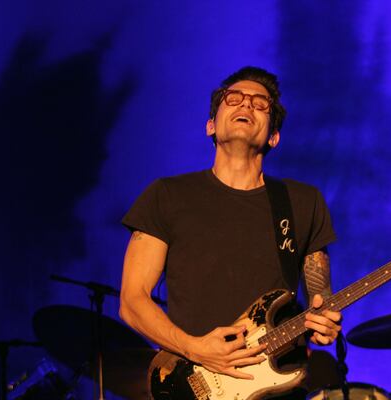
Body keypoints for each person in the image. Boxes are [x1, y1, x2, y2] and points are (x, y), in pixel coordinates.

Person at [119, 66, 341, 395]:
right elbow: (131, 301)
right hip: (193, 386)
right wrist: (194, 348)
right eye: (233, 99)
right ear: (211, 124)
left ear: (274, 136)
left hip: (276, 387)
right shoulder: (167, 196)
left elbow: (320, 301)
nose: (246, 105)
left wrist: (323, 325)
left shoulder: (303, 202)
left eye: (260, 103)